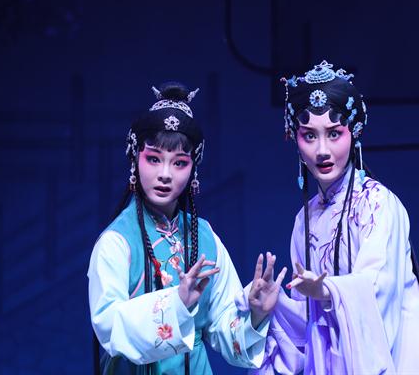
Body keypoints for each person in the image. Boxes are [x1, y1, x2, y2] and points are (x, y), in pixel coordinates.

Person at [254, 61, 419, 374]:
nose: (322, 150)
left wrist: (328, 291)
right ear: (295, 139)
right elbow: (309, 325)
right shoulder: (304, 220)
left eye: (334, 134)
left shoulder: (379, 204)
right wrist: (275, 304)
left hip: (403, 357)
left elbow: (377, 291)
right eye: (309, 136)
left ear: (354, 134)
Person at [88, 82, 286, 374]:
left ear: (193, 170)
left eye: (179, 163)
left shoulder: (204, 237)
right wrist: (176, 304)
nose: (165, 174)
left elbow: (222, 328)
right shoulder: (117, 242)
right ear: (135, 160)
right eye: (153, 159)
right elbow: (108, 325)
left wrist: (256, 314)